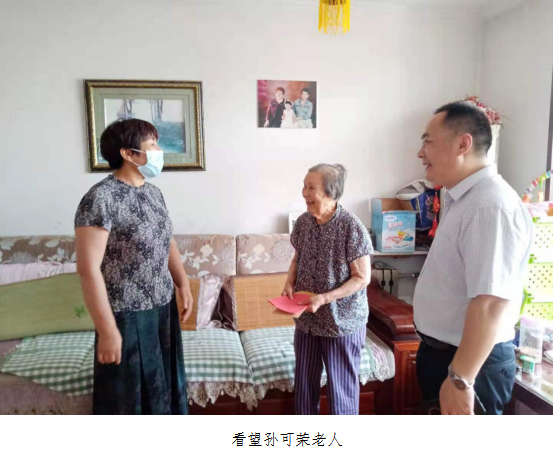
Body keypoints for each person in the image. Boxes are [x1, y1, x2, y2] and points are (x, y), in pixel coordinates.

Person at [414, 102, 533, 415]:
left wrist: (460, 379)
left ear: (462, 144)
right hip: (446, 356)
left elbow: (491, 302)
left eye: (428, 142)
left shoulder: (490, 206)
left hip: (469, 364)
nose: (420, 153)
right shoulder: (463, 198)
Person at [75, 118, 194, 415]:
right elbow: (88, 269)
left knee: (166, 389)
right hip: (125, 315)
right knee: (128, 400)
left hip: (162, 307)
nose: (159, 151)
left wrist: (182, 283)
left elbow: (166, 239)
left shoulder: (154, 193)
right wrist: (107, 330)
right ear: (128, 153)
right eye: (152, 144)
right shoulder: (100, 198)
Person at [282, 164, 373, 415]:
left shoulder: (351, 227)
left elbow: (362, 278)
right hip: (307, 320)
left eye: (311, 187)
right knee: (304, 390)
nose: (304, 193)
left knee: (341, 395)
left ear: (331, 192)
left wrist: (324, 298)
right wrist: (289, 282)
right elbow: (297, 258)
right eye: (304, 186)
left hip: (341, 323)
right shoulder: (303, 222)